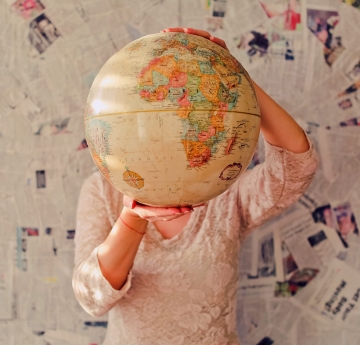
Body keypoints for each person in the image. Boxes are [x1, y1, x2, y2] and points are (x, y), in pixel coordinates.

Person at [72, 27, 318, 345]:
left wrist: (234, 77)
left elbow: (298, 164)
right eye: (159, 104)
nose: (171, 114)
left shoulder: (224, 187)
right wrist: (133, 217)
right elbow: (92, 299)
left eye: (185, 104)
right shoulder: (101, 189)